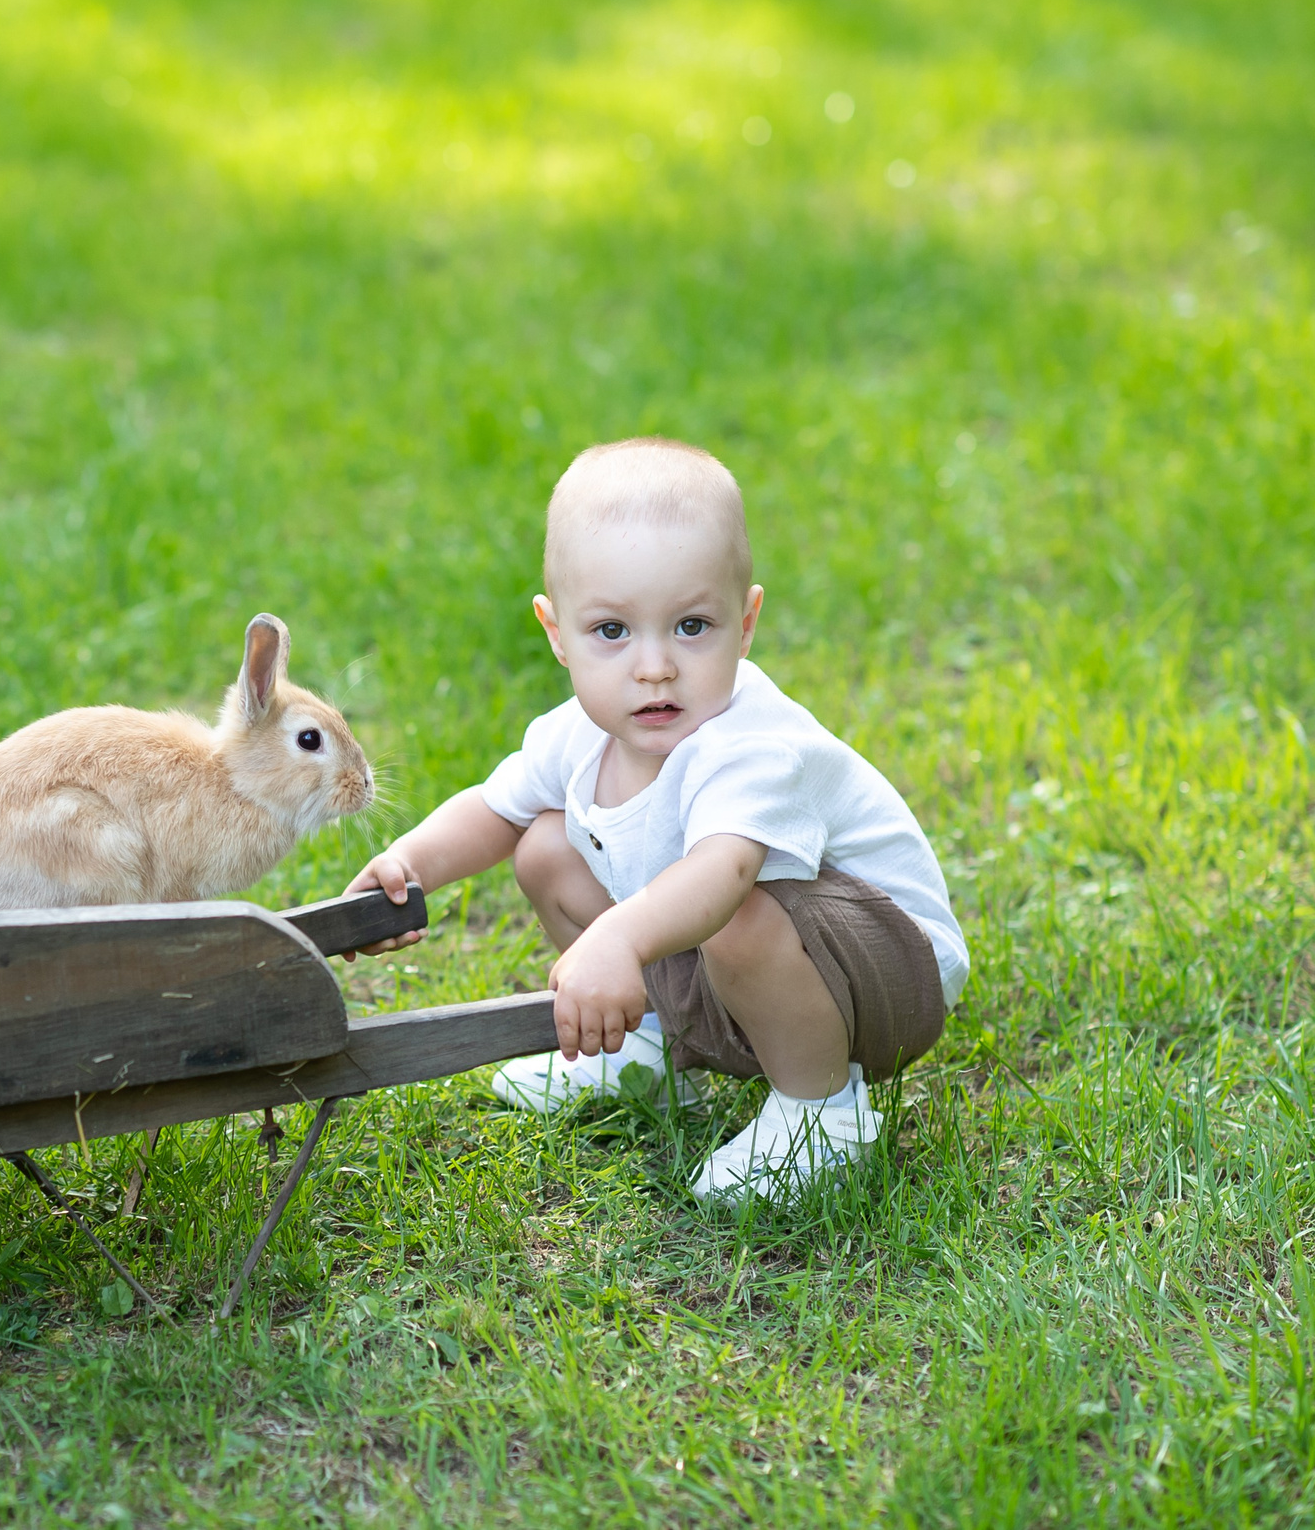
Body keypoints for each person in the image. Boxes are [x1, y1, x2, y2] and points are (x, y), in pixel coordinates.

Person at [346, 437, 967, 1202]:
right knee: (545, 846)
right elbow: (494, 808)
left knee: (738, 911)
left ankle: (822, 1114)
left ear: (746, 622)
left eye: (692, 626)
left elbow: (721, 876)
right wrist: (407, 866)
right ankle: (646, 1047)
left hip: (885, 979)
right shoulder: (580, 733)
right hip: (746, 962)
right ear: (555, 633)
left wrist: (617, 937)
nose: (653, 666)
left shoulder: (750, 743)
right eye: (612, 631)